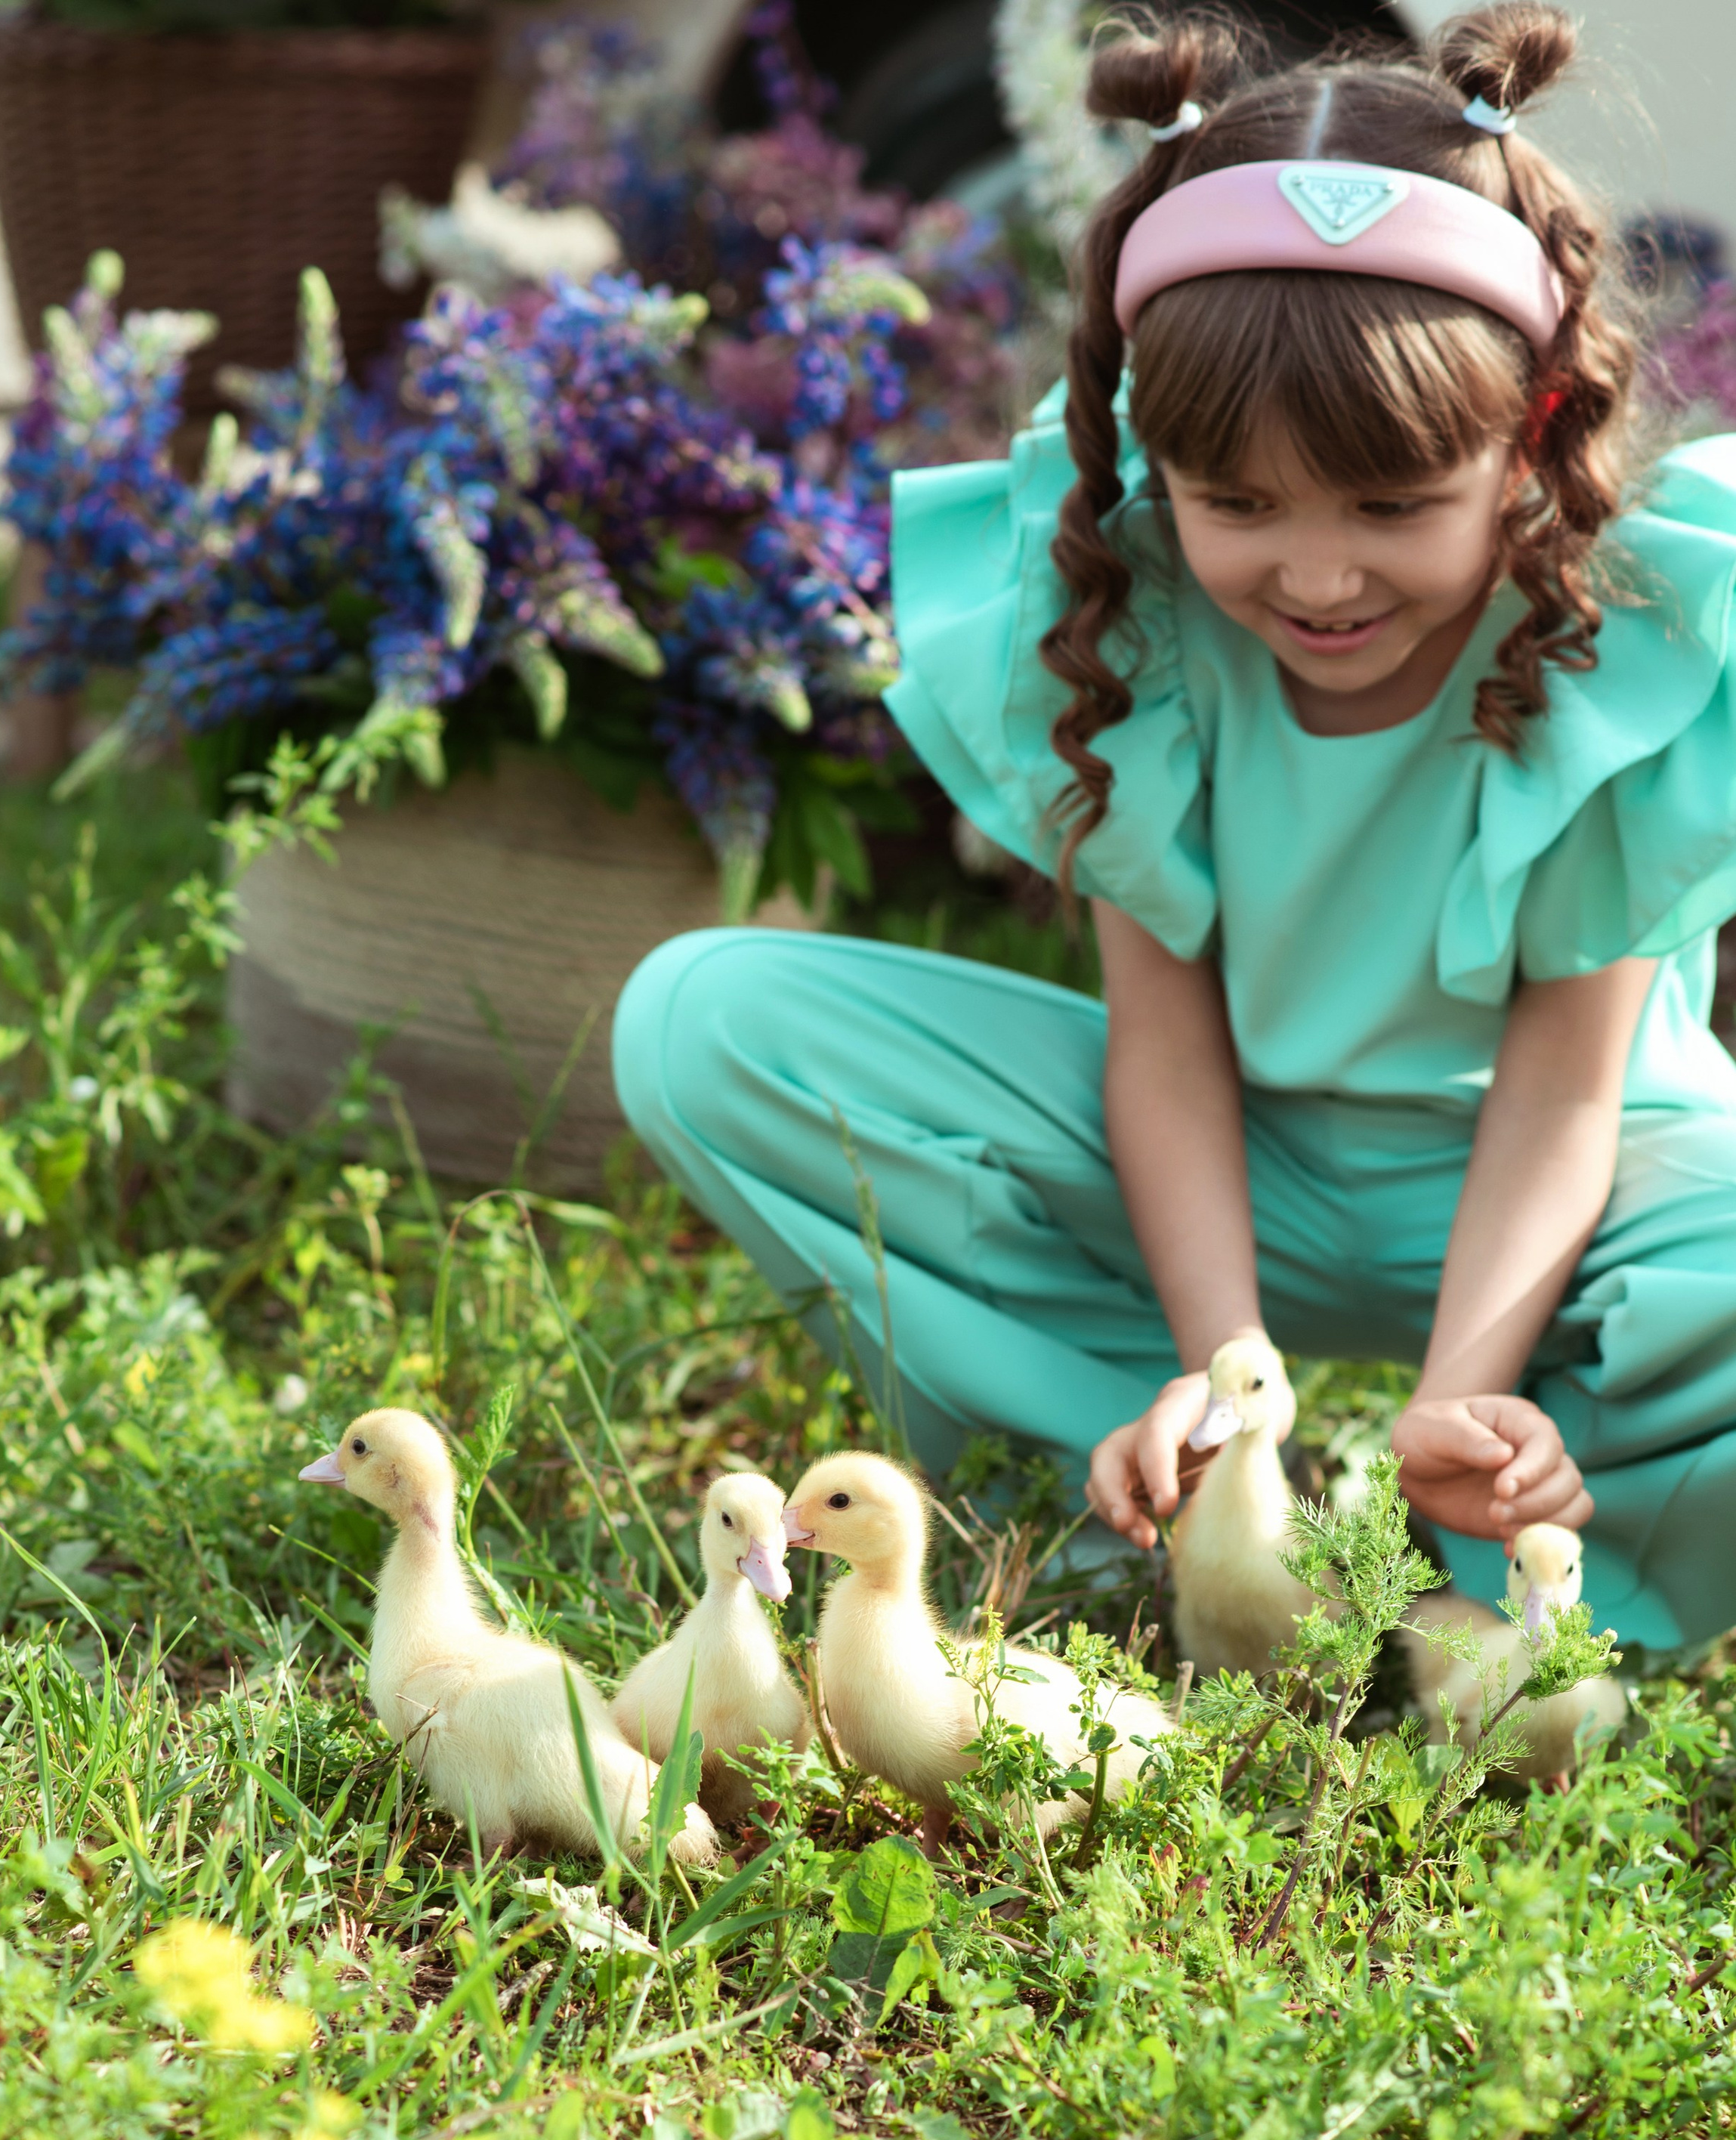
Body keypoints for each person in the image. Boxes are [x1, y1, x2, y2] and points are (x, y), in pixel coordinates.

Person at [613, 3, 1736, 1647]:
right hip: (1244, 1168)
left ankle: (1518, 1586)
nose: (1318, 575)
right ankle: (1131, 1513)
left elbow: (1566, 1094)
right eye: (1240, 505)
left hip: (1561, 1209)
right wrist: (1231, 1384)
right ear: (1157, 450)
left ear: (1532, 438)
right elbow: (1158, 1042)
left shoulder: (1607, 638)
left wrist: (1455, 1406)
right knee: (702, 1022)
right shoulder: (1124, 621)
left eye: (1391, 506)